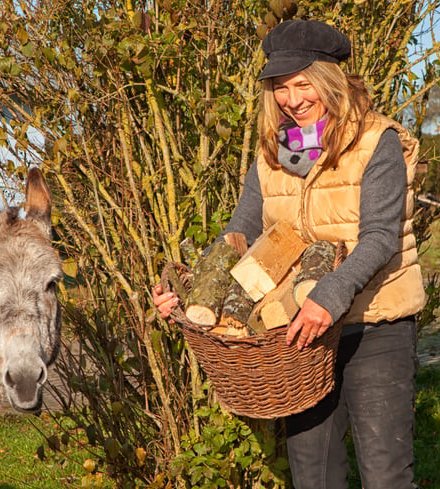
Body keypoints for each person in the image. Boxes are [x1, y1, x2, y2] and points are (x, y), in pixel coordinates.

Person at [152, 19, 425, 489]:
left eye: (303, 83)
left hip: (373, 323)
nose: (292, 98)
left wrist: (328, 296)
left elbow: (380, 236)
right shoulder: (273, 150)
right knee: (313, 475)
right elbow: (242, 230)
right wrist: (193, 291)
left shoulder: (376, 141)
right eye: (280, 86)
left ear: (330, 80)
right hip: (298, 337)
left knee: (385, 475)